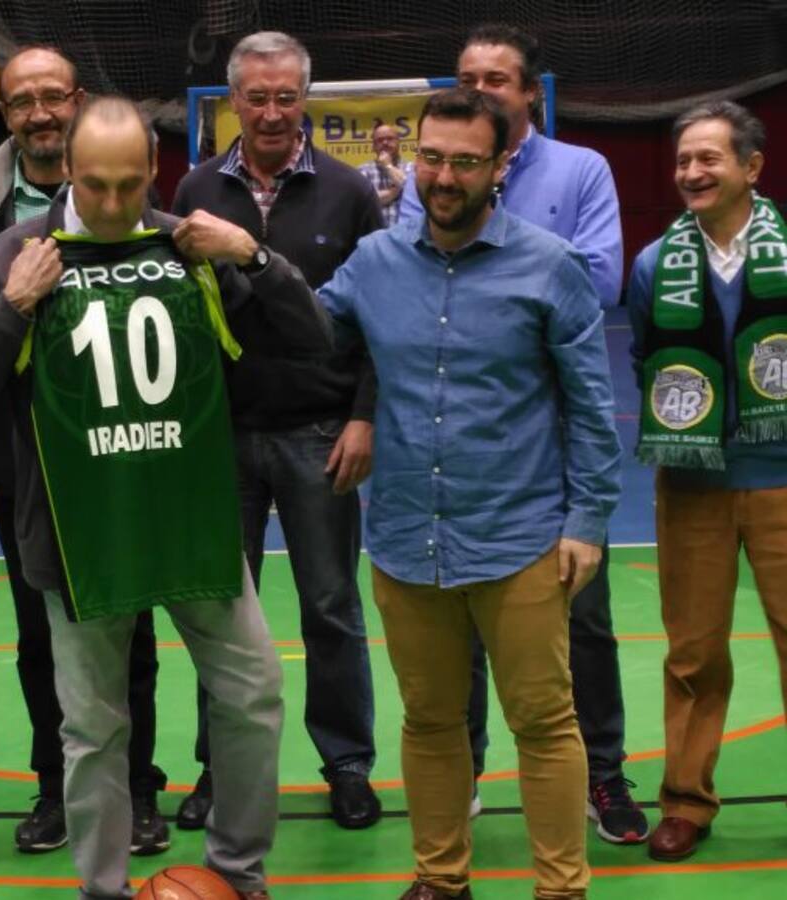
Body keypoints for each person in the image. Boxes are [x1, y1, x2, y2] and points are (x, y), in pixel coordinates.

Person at [0, 94, 319, 900]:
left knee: (255, 693)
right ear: (66, 169)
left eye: (131, 184)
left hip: (193, 524)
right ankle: (102, 890)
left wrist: (253, 256)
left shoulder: (191, 246)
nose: (113, 205)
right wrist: (12, 308)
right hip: (79, 539)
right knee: (93, 728)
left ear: (154, 172)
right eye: (96, 184)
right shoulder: (12, 258)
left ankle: (239, 875)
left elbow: (313, 341)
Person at [321, 87, 622, 900]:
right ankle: (441, 880)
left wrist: (587, 521)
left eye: (464, 161)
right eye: (431, 157)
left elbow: (592, 407)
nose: (443, 177)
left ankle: (561, 888)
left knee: (544, 723)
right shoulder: (374, 263)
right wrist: (244, 266)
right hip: (406, 539)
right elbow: (309, 333)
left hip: (521, 538)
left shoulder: (550, 266)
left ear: (499, 167)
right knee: (429, 720)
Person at [402, 23, 642, 843]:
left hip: (554, 442)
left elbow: (600, 277)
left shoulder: (581, 169)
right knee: (455, 621)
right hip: (459, 439)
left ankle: (604, 775)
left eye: (497, 79)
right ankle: (463, 771)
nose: (481, 90)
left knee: (586, 621)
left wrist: (497, 264)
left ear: (531, 92)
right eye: (468, 77)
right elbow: (415, 263)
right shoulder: (438, 170)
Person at [0, 45, 169, 855]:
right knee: (40, 639)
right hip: (26, 467)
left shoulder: (126, 190)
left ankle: (137, 791)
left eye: (52, 95)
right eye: (22, 100)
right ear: (5, 114)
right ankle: (55, 790)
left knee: (132, 636)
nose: (39, 112)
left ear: (77, 102)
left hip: (125, 461)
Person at [171, 29, 383, 832]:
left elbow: (380, 316)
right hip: (222, 438)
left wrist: (363, 416)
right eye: (255, 98)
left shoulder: (349, 192)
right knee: (220, 613)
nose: (270, 112)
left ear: (305, 100)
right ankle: (219, 769)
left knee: (331, 607)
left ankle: (347, 765)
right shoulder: (195, 188)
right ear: (232, 101)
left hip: (320, 433)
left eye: (285, 97)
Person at [628, 101, 787, 862]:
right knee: (693, 653)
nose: (691, 172)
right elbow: (645, 362)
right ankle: (686, 802)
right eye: (683, 160)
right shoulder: (653, 265)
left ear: (751, 167)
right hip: (693, 486)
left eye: (709, 158)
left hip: (785, 478)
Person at [358, 122, 410, 227]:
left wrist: (388, 166)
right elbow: (364, 201)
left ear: (398, 142)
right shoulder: (363, 170)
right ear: (373, 146)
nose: (385, 143)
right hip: (375, 233)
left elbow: (409, 188)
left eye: (390, 138)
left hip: (406, 233)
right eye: (379, 140)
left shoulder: (411, 167)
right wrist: (392, 193)